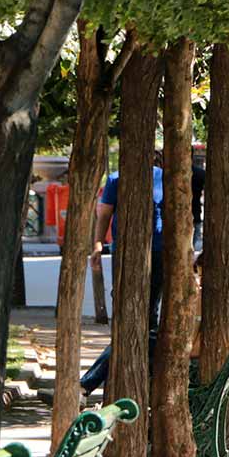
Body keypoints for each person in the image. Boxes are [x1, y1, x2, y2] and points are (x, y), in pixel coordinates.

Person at [81, 156, 165, 397]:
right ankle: (90, 384)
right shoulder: (117, 179)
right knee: (130, 321)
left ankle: (88, 384)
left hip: (159, 253)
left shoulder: (164, 177)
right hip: (125, 252)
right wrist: (98, 244)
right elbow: (104, 214)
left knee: (149, 324)